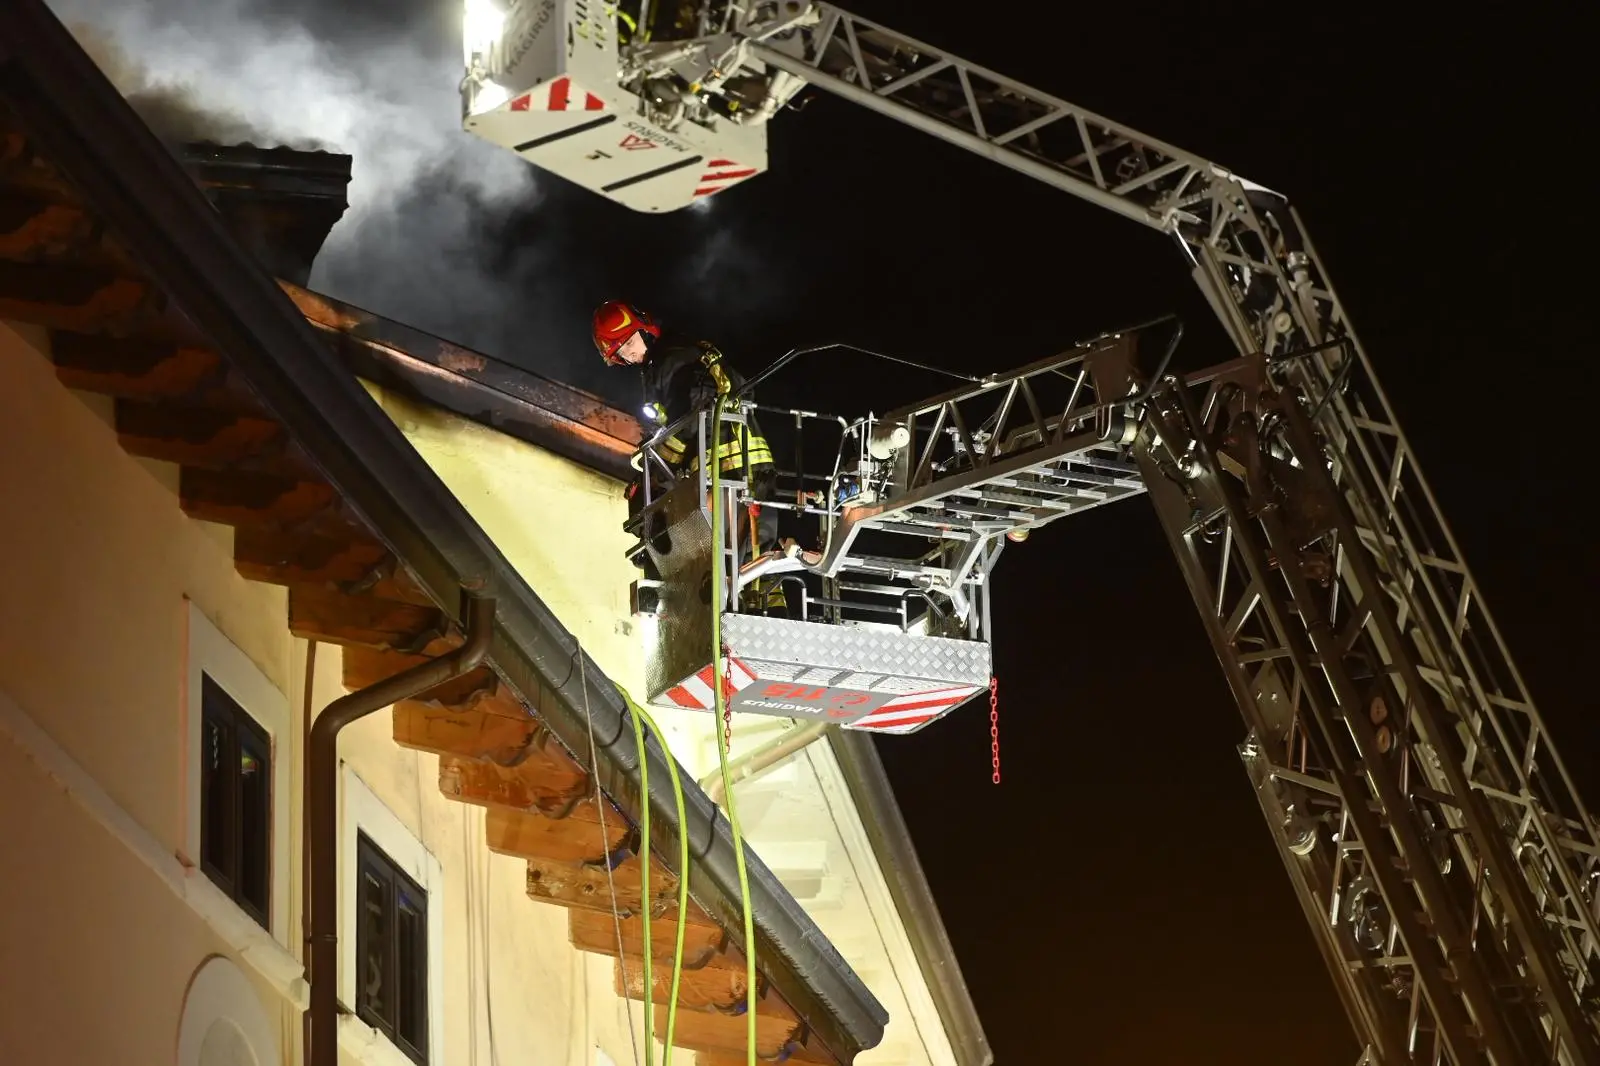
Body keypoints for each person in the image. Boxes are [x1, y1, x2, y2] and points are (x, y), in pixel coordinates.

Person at [593, 299, 797, 611]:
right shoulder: (672, 359)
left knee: (743, 551)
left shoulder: (671, 360)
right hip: (738, 467)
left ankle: (757, 612)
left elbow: (687, 418)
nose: (629, 354)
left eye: (629, 343)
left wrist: (658, 468)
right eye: (621, 353)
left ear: (645, 331)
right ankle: (767, 610)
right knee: (753, 555)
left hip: (732, 467)